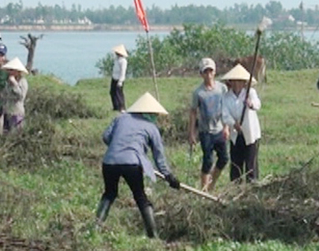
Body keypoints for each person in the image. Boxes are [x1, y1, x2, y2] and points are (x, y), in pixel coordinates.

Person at [96, 92, 180, 239]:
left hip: (109, 162)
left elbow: (106, 136)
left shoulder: (120, 118)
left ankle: (95, 228)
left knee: (109, 193)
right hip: (132, 164)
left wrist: (117, 146)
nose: (155, 117)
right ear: (147, 112)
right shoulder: (151, 127)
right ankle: (153, 236)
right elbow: (158, 156)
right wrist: (168, 176)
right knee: (140, 197)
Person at [189, 57, 230, 191]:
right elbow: (193, 112)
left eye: (210, 71)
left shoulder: (222, 89)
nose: (208, 74)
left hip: (219, 129)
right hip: (205, 131)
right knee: (207, 160)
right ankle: (204, 189)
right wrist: (192, 134)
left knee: (224, 158)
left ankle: (212, 183)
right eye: (205, 72)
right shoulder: (198, 93)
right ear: (201, 74)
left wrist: (226, 127)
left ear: (214, 72)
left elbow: (226, 108)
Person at [221, 64, 262, 183]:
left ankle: (252, 184)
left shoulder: (250, 93)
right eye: (234, 81)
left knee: (251, 163)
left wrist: (250, 104)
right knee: (236, 163)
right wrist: (234, 124)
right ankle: (236, 186)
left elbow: (257, 104)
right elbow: (225, 114)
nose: (236, 84)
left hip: (250, 133)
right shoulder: (226, 97)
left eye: (239, 81)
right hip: (236, 134)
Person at [0, 57, 29, 133]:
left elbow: (21, 96)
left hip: (16, 113)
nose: (10, 72)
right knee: (5, 133)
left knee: (15, 134)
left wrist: (14, 84)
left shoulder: (22, 82)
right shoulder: (7, 82)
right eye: (9, 70)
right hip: (6, 112)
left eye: (12, 70)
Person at [110, 44, 128, 112]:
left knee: (119, 93)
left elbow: (123, 71)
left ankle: (122, 107)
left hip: (119, 79)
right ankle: (116, 106)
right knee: (112, 92)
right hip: (114, 78)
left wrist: (120, 81)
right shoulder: (117, 60)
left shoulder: (123, 61)